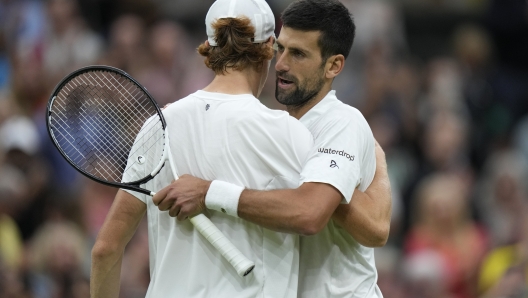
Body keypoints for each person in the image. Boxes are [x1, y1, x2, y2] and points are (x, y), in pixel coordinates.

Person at [153, 0, 392, 297]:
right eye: (281, 48)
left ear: (334, 65)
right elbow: (374, 226)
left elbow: (313, 213)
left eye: (299, 54)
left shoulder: (341, 122)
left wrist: (208, 193)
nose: (280, 64)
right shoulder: (270, 124)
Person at [91, 0, 316, 297]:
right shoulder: (289, 132)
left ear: (209, 48)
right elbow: (315, 219)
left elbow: (105, 249)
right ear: (271, 45)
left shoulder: (160, 125)